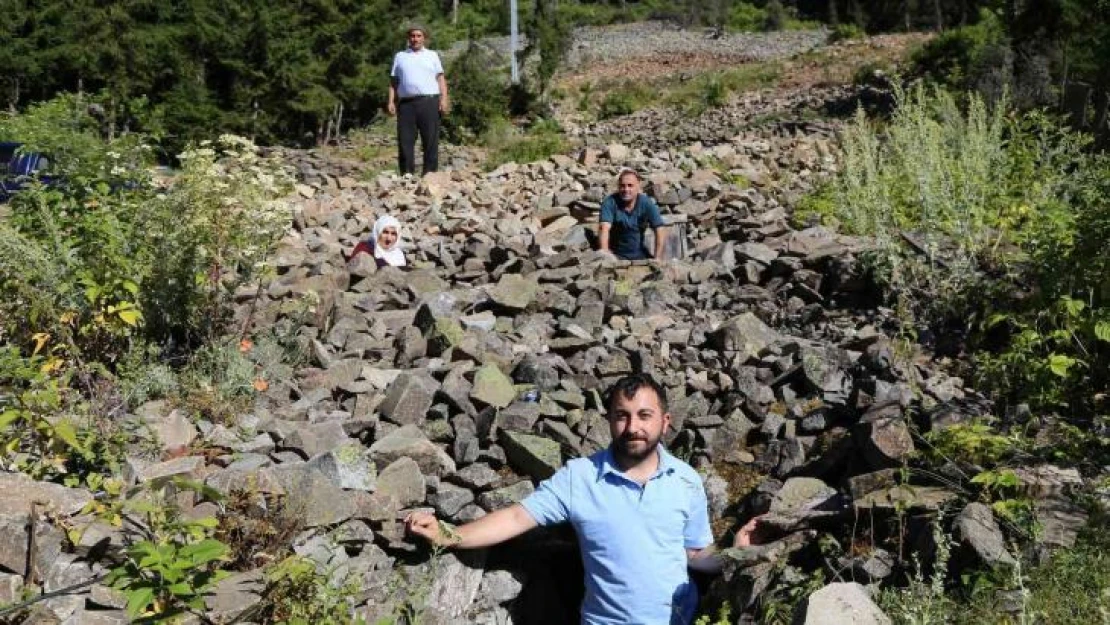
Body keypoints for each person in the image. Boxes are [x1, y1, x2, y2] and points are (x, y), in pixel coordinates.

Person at [405, 373, 765, 625]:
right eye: (622, 416)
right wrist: (449, 535)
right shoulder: (579, 477)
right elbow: (516, 518)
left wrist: (737, 551)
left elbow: (693, 556)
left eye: (644, 415)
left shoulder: (686, 481)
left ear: (665, 421)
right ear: (609, 420)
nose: (633, 427)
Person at [387, 25, 449, 176]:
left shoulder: (432, 55)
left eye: (418, 36)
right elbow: (393, 82)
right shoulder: (400, 56)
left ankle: (430, 174)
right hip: (406, 104)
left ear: (424, 38)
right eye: (412, 36)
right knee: (405, 141)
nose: (415, 39)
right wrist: (390, 101)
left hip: (429, 102)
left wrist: (444, 99)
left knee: (430, 140)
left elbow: (440, 79)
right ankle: (407, 175)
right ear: (408, 38)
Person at [598, 168, 668, 260]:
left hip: (640, 255)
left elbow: (659, 229)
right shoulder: (610, 202)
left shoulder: (646, 203)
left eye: (630, 185)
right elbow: (604, 228)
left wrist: (657, 258)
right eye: (623, 186)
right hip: (616, 255)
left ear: (638, 186)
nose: (626, 189)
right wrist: (605, 253)